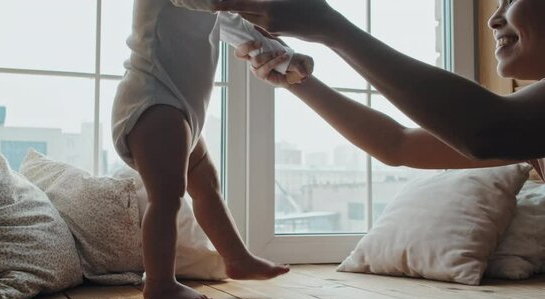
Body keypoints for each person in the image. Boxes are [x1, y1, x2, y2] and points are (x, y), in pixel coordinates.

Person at [112, 0, 314, 299]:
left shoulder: (213, 10)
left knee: (206, 184)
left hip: (182, 111)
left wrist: (285, 58)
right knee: (166, 196)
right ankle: (159, 283)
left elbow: (238, 28)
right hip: (153, 98)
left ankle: (237, 259)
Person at [217, 0, 545, 177]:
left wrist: (331, 26)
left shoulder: (514, 130)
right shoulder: (530, 136)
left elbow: (490, 131)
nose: (493, 19)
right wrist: (298, 79)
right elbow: (396, 145)